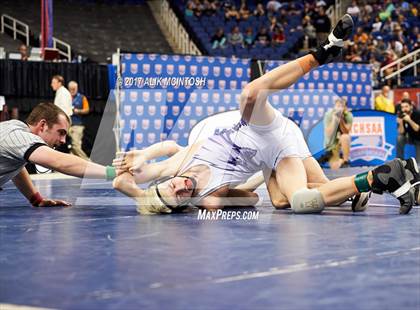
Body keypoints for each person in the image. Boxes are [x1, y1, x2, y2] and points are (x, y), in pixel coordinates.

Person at [112, 15, 417, 215]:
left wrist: (141, 163)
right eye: (178, 198)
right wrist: (250, 180)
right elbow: (253, 199)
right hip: (273, 155)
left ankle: (323, 52)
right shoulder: (209, 198)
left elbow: (129, 176)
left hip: (259, 130)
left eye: (170, 187)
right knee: (295, 200)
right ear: (183, 206)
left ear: (165, 182)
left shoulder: (178, 164)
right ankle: (386, 176)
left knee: (249, 94)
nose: (179, 188)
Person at [0, 103, 117, 207]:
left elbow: (17, 168)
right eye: (61, 133)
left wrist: (36, 199)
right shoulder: (19, 136)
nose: (63, 141)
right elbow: (60, 162)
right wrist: (114, 173)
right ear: (43, 125)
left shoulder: (14, 131)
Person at [320, 98, 353, 169]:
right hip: (331, 144)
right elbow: (329, 134)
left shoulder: (349, 115)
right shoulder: (329, 115)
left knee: (345, 137)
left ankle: (345, 161)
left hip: (342, 143)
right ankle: (335, 159)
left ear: (345, 108)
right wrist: (334, 119)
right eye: (338, 106)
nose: (340, 108)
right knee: (335, 168)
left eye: (342, 106)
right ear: (334, 107)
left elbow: (346, 132)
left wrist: (341, 120)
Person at [68, 81, 90, 160]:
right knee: (71, 147)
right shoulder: (66, 97)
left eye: (74, 89)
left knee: (75, 145)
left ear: (77, 88)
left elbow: (87, 110)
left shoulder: (82, 97)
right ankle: (72, 168)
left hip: (77, 125)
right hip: (68, 125)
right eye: (71, 89)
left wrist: (78, 111)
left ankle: (89, 163)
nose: (73, 90)